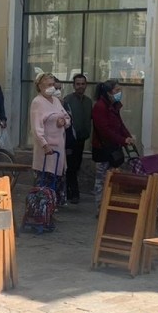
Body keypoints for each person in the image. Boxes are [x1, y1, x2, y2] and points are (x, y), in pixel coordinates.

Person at [91, 79, 135, 211]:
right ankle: (100, 207)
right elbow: (104, 130)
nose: (119, 93)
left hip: (113, 146)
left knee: (111, 178)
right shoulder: (100, 107)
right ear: (109, 92)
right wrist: (123, 140)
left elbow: (119, 124)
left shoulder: (114, 105)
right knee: (101, 179)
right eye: (117, 90)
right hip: (102, 148)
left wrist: (127, 136)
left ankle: (109, 205)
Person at [29, 72, 70, 184]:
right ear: (40, 86)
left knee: (58, 176)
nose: (52, 88)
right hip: (46, 148)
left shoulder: (56, 100)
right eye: (48, 85)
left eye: (53, 84)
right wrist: (45, 145)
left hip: (59, 145)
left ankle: (56, 200)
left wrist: (64, 122)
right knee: (46, 177)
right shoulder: (37, 102)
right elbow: (36, 127)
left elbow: (66, 117)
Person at [62, 73, 93, 204]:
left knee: (77, 165)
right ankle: (72, 193)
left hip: (82, 139)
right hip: (69, 139)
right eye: (78, 84)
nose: (80, 86)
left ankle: (72, 192)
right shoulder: (67, 100)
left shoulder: (88, 101)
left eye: (83, 84)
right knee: (70, 166)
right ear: (74, 85)